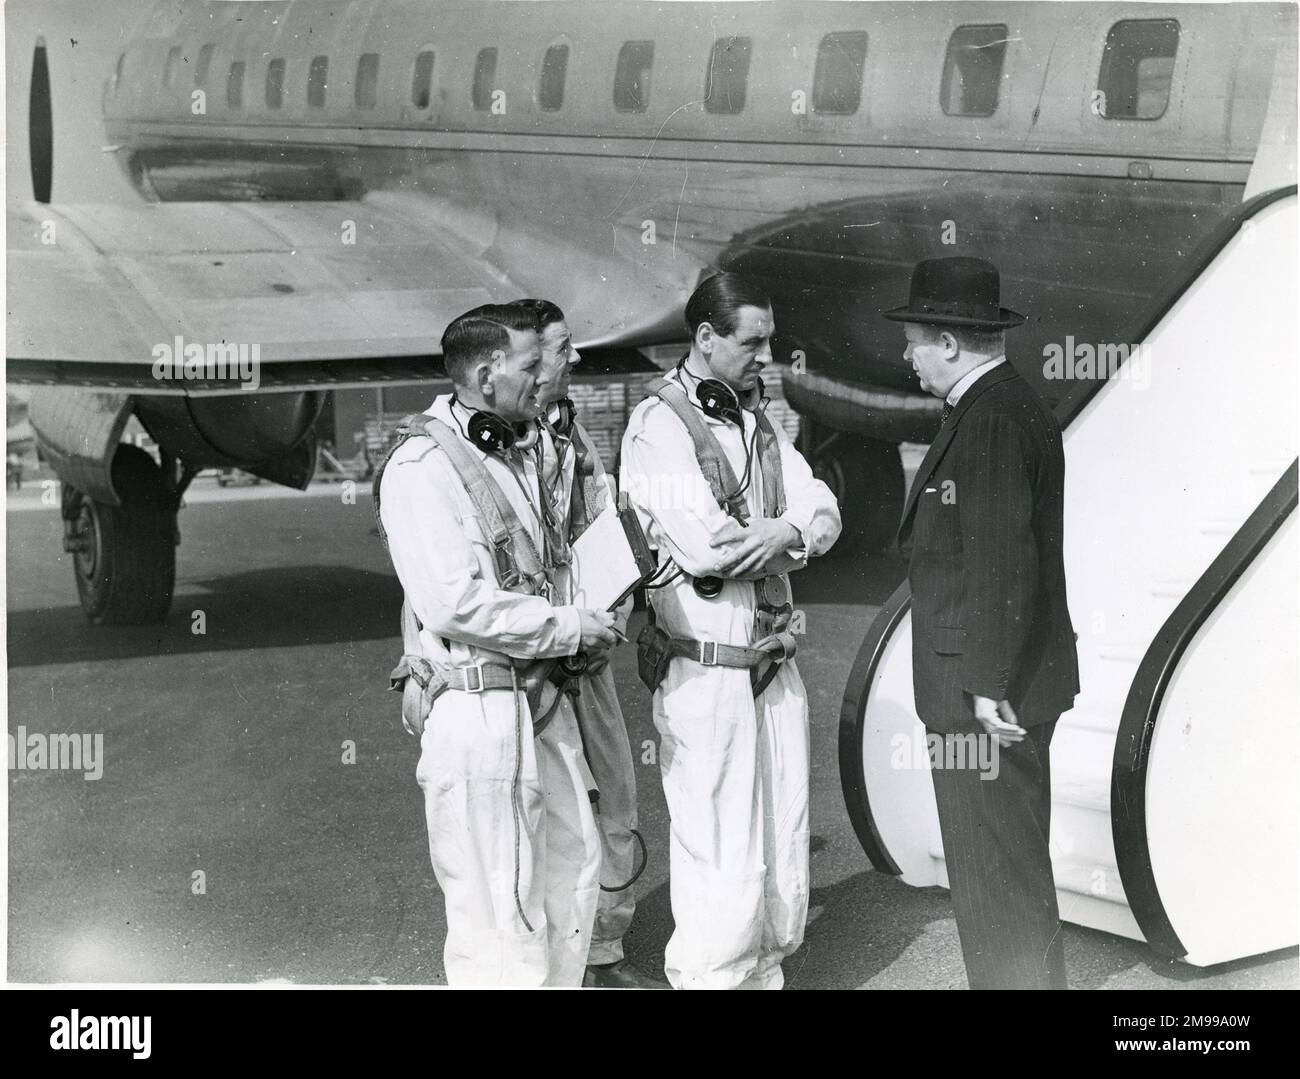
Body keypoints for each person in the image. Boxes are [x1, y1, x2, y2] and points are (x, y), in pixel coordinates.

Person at [374, 303, 618, 986]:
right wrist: (569, 624)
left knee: (574, 878)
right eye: (531, 364)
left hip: (544, 702)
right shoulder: (420, 467)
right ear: (487, 373)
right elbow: (454, 602)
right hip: (479, 712)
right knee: (498, 918)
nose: (545, 376)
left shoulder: (521, 452)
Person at [619, 272, 841, 989]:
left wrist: (787, 528)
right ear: (706, 337)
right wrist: (791, 533)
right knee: (720, 846)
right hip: (705, 671)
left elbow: (823, 506)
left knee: (779, 837)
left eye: (771, 340)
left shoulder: (759, 423)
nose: (766, 356)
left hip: (773, 663)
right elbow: (709, 546)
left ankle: (764, 977)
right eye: (753, 341)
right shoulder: (657, 426)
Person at [886, 256, 1080, 990]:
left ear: (948, 342)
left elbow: (1004, 562)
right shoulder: (1004, 406)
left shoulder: (991, 420)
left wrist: (986, 684)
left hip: (986, 695)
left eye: (913, 341)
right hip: (993, 685)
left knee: (993, 872)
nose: (906, 357)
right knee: (1006, 866)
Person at [512, 299, 667, 989]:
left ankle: (603, 947)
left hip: (589, 647)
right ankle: (550, 962)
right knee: (542, 813)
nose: (572, 359)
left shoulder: (572, 435)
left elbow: (601, 517)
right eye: (560, 348)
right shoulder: (497, 445)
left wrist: (618, 598)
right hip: (530, 658)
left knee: (618, 796)